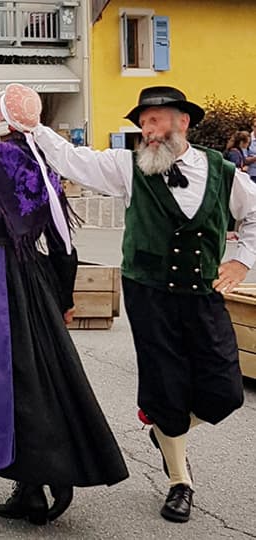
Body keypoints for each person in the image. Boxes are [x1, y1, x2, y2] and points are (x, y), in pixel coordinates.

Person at [31, 85, 256, 523]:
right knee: (166, 385)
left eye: (156, 120)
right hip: (149, 292)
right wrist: (32, 125)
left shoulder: (224, 172)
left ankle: (166, 429)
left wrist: (242, 263)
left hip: (203, 293)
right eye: (143, 123)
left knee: (225, 392)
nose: (147, 131)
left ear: (183, 122)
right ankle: (179, 480)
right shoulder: (127, 166)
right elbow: (72, 159)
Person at [0, 86, 129, 524]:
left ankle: (33, 480)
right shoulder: (40, 165)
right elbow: (63, 243)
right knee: (37, 375)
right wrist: (63, 299)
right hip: (34, 278)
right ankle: (40, 478)